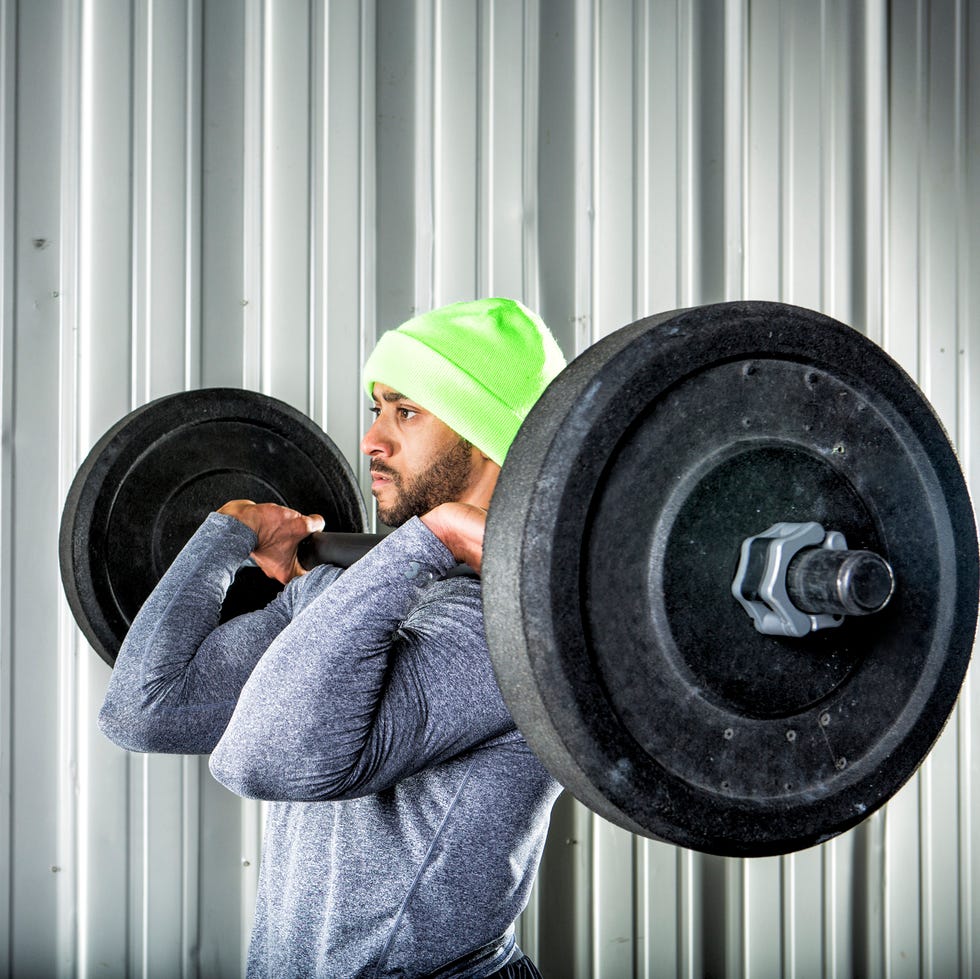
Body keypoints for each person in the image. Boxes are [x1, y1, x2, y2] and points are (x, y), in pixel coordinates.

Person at [99, 298, 568, 978]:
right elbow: (144, 709)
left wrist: (425, 541)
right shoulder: (354, 584)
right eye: (376, 408)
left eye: (405, 411)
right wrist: (228, 531)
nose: (372, 440)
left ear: (486, 432)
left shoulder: (509, 630)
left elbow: (264, 759)